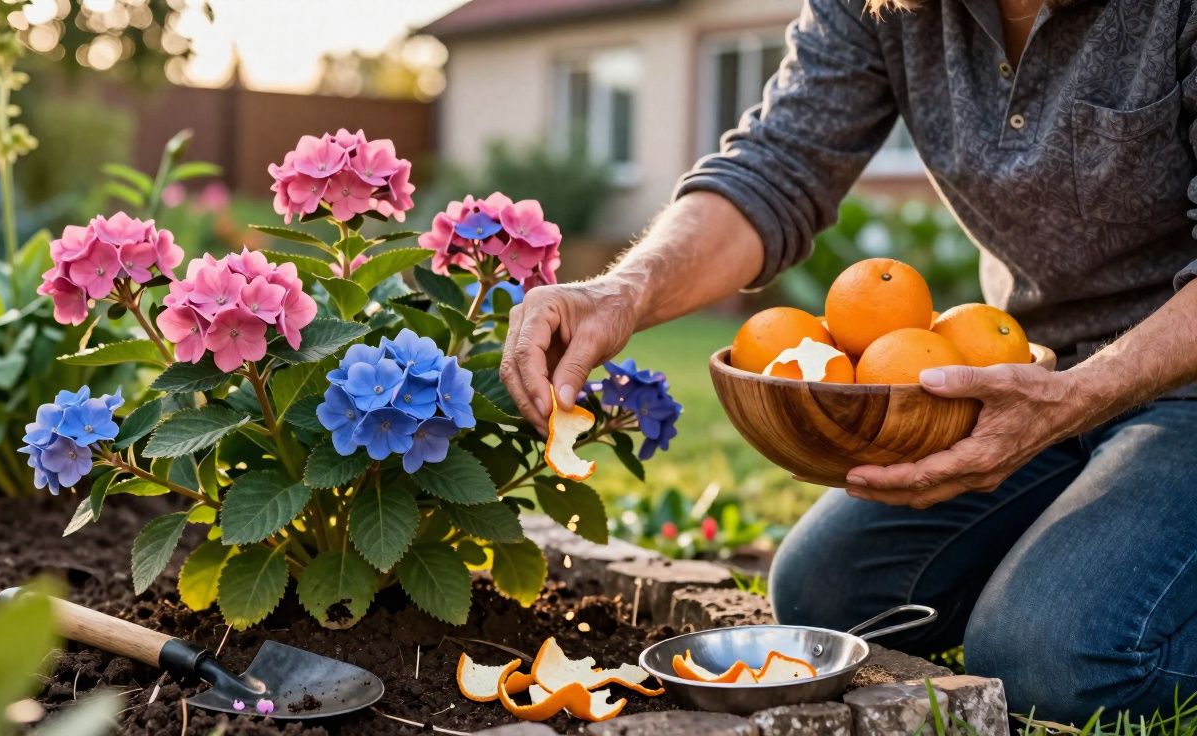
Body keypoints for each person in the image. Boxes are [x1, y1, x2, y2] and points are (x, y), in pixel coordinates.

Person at [500, 0, 1197, 723]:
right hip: (1023, 376)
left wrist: (1086, 396)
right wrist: (623, 291)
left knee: (1052, 659)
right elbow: (777, 165)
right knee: (826, 594)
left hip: (1185, 382)